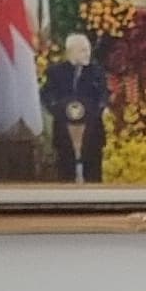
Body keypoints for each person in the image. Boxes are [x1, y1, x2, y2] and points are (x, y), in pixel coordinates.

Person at [45, 32, 108, 182]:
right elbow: (47, 95)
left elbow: (104, 95)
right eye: (83, 50)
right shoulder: (55, 72)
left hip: (92, 132)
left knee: (93, 176)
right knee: (65, 175)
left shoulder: (97, 71)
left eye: (88, 49)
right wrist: (57, 109)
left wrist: (99, 109)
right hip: (64, 132)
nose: (88, 53)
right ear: (70, 52)